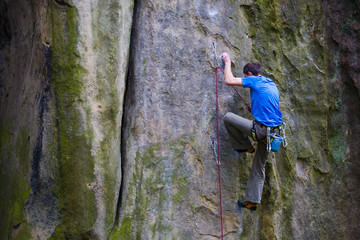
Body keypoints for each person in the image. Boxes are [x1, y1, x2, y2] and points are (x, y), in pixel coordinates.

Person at [221, 52, 283, 211]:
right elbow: (267, 104)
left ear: (249, 75)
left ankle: (245, 146)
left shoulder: (253, 80)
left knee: (228, 117)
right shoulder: (270, 83)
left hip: (262, 131)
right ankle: (252, 201)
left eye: (246, 77)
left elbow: (229, 80)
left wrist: (227, 62)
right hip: (274, 135)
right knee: (259, 166)